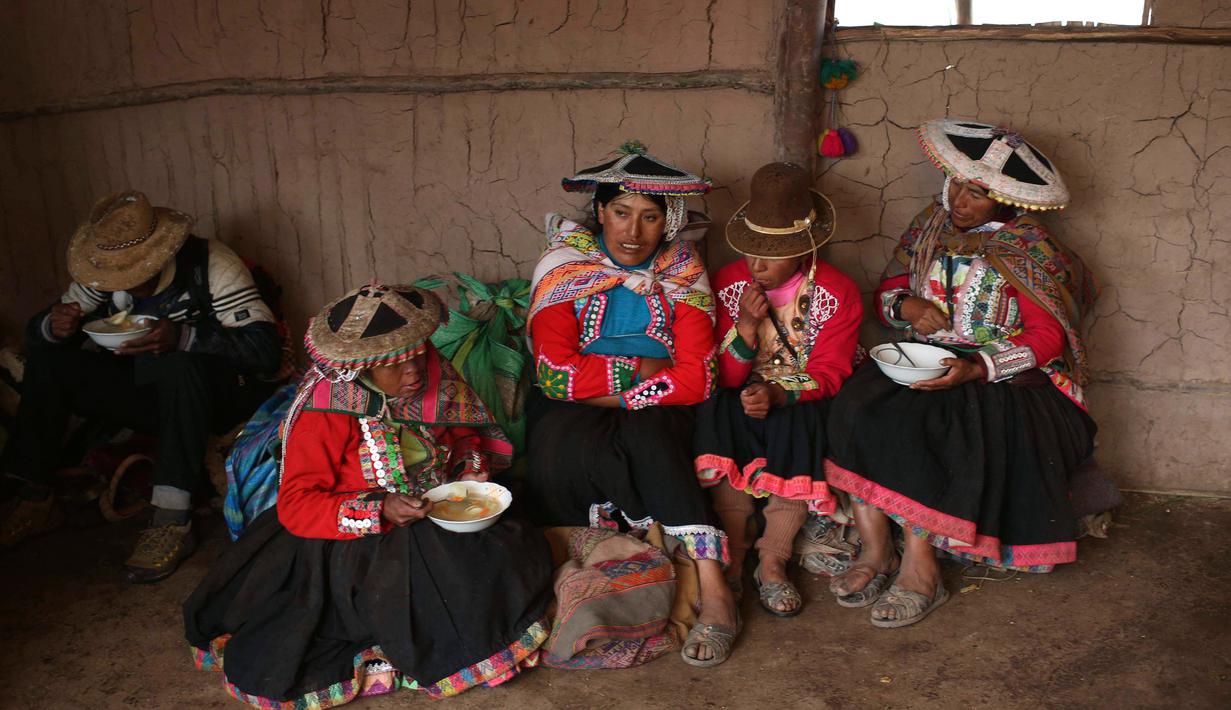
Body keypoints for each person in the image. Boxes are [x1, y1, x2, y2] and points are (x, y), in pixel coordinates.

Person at [184, 283, 553, 705]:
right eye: (395, 365)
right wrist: (379, 509)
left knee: (505, 549)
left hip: (436, 508)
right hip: (350, 537)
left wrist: (468, 473)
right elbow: (297, 503)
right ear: (361, 367)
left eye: (418, 355)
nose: (414, 371)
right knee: (410, 577)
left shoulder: (432, 371)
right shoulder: (325, 409)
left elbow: (466, 435)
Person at [825, 119, 1102, 627]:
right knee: (854, 408)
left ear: (1004, 201)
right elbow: (888, 290)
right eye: (956, 185)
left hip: (1002, 376)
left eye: (976, 194)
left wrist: (976, 367)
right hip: (923, 354)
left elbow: (1048, 338)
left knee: (931, 428)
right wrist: (907, 307)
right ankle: (875, 550)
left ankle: (920, 568)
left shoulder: (1030, 247)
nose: (960, 201)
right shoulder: (928, 226)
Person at [523, 142, 740, 667]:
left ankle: (714, 588)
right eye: (620, 213)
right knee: (556, 445)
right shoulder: (564, 266)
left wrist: (622, 396)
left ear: (668, 222)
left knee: (651, 438)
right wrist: (640, 373)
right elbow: (553, 373)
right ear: (600, 212)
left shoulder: (682, 269)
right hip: (589, 397)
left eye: (648, 217)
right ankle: (586, 574)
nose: (631, 232)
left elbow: (700, 375)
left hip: (654, 401)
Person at [0, 190, 283, 584]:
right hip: (152, 396)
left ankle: (171, 518)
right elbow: (44, 334)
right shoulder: (102, 276)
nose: (129, 286)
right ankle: (33, 491)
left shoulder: (210, 263)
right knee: (52, 361)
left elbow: (265, 352)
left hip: (220, 396)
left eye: (136, 274)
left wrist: (185, 337)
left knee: (180, 363)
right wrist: (53, 326)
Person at [694, 162, 862, 617]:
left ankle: (773, 559)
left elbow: (829, 373)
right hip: (741, 391)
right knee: (719, 409)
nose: (757, 266)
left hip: (798, 397)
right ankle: (735, 554)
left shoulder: (837, 292)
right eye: (751, 252)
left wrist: (780, 393)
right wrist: (746, 328)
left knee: (799, 424)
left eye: (773, 255)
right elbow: (722, 375)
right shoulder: (728, 283)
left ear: (805, 249)